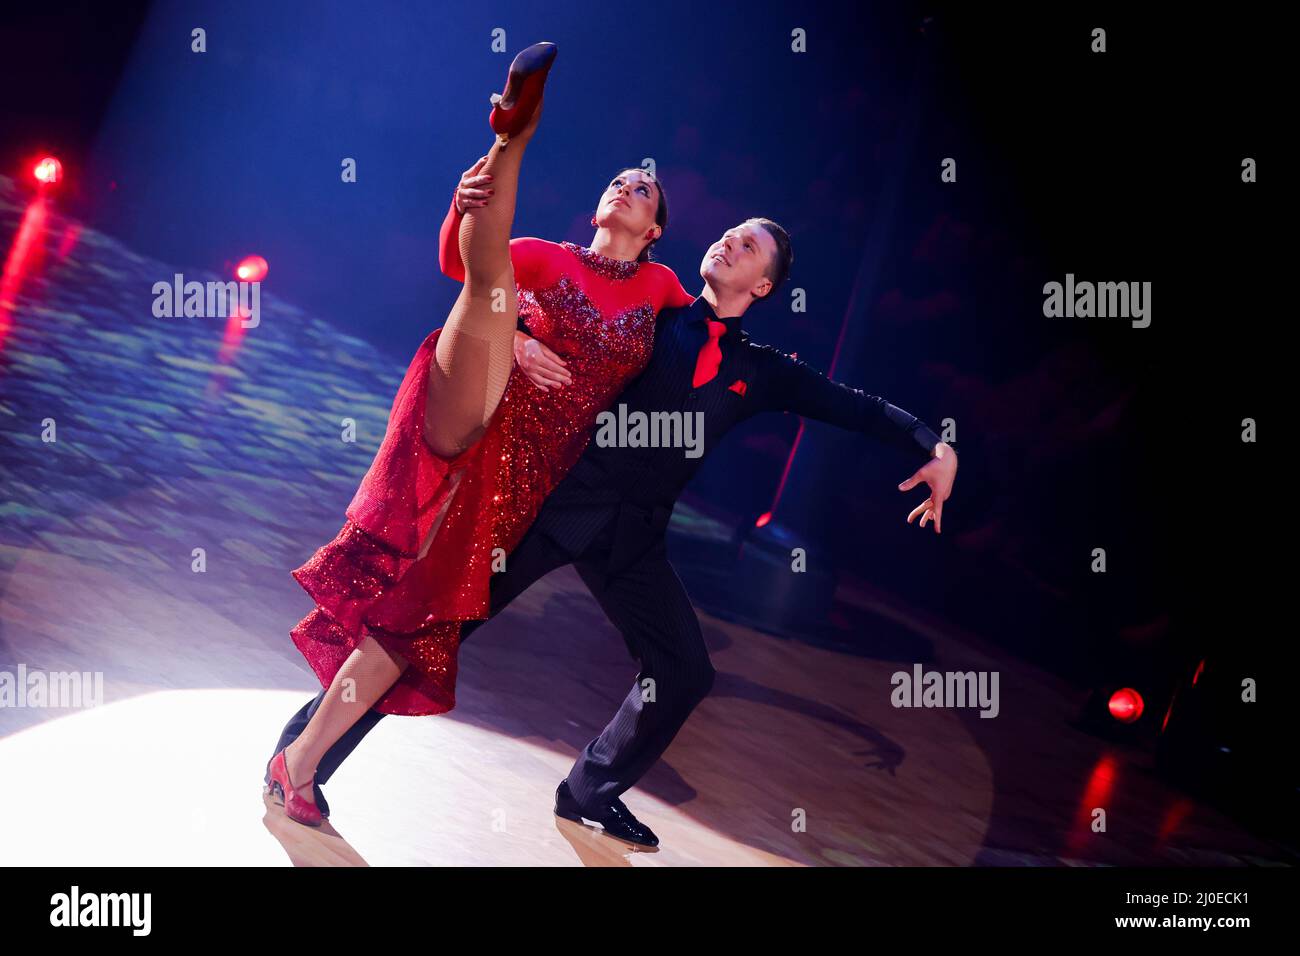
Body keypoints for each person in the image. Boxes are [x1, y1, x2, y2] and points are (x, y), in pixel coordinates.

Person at [269, 215, 958, 846]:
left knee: (685, 670)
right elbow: (545, 315)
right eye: (730, 233)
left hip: (634, 540)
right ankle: (304, 753)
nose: (729, 242)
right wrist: (515, 341)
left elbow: (852, 406)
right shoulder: (654, 314)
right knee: (431, 631)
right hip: (554, 509)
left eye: (749, 247)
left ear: (765, 284)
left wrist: (934, 446)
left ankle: (589, 791)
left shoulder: (762, 371)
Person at [265, 40, 695, 827]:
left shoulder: (664, 287)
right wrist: (517, 336)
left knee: (414, 622)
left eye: (643, 190)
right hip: (481, 411)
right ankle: (510, 134)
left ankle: (297, 760)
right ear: (599, 209)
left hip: (524, 488)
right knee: (494, 280)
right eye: (618, 182)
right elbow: (452, 262)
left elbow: (704, 345)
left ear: (656, 228)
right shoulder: (547, 258)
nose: (628, 189)